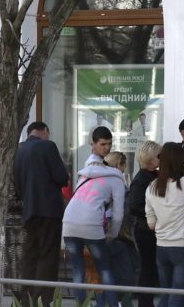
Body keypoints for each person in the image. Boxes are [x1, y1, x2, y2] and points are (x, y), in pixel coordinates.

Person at [62, 126, 125, 307]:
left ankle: (81, 305)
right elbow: (118, 215)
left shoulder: (83, 173)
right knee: (104, 268)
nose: (107, 148)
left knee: (78, 271)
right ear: (93, 144)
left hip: (69, 222)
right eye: (103, 144)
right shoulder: (116, 178)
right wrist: (111, 235)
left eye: (109, 144)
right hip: (91, 224)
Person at [13, 121, 70, 307]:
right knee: (48, 256)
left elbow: (17, 186)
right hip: (49, 211)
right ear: (44, 131)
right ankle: (43, 300)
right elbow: (62, 177)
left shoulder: (19, 151)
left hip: (29, 212)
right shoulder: (48, 146)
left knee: (30, 257)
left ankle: (26, 300)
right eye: (48, 133)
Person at [145, 142, 184, 307]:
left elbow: (151, 224)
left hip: (161, 247)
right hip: (182, 246)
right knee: (178, 294)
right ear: (181, 162)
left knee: (166, 293)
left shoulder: (151, 187)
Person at [104, 151, 139, 307]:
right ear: (119, 165)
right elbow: (124, 214)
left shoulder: (101, 183)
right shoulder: (118, 184)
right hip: (119, 236)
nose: (124, 170)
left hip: (105, 236)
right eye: (124, 166)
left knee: (112, 274)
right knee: (126, 275)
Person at [130, 140, 162, 307]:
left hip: (153, 229)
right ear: (150, 158)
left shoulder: (155, 175)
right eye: (159, 156)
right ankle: (145, 303)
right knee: (147, 267)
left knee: (152, 267)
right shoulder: (141, 178)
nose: (162, 158)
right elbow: (134, 206)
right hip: (145, 231)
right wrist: (155, 213)